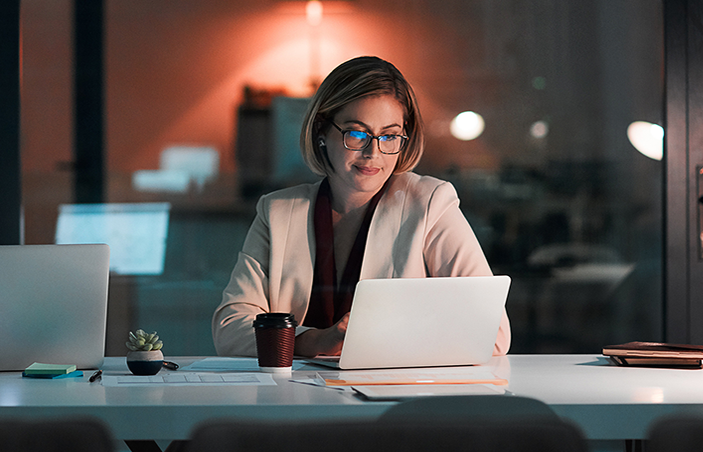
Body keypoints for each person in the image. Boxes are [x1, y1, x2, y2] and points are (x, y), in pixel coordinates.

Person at [212, 56, 511, 357]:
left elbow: (493, 333)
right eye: (356, 134)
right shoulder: (277, 212)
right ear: (321, 131)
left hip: (391, 397)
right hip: (295, 398)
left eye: (390, 136)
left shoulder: (430, 203)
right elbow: (230, 328)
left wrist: (372, 343)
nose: (373, 152)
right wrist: (312, 341)